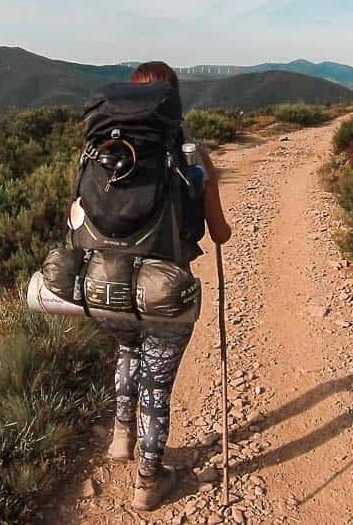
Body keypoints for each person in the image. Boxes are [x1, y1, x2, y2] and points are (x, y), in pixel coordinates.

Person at [95, 60, 232, 512]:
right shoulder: (190, 153)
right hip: (163, 289)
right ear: (172, 99)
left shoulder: (104, 152)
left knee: (127, 352)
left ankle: (120, 439)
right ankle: (149, 480)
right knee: (158, 383)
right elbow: (220, 231)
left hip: (108, 285)